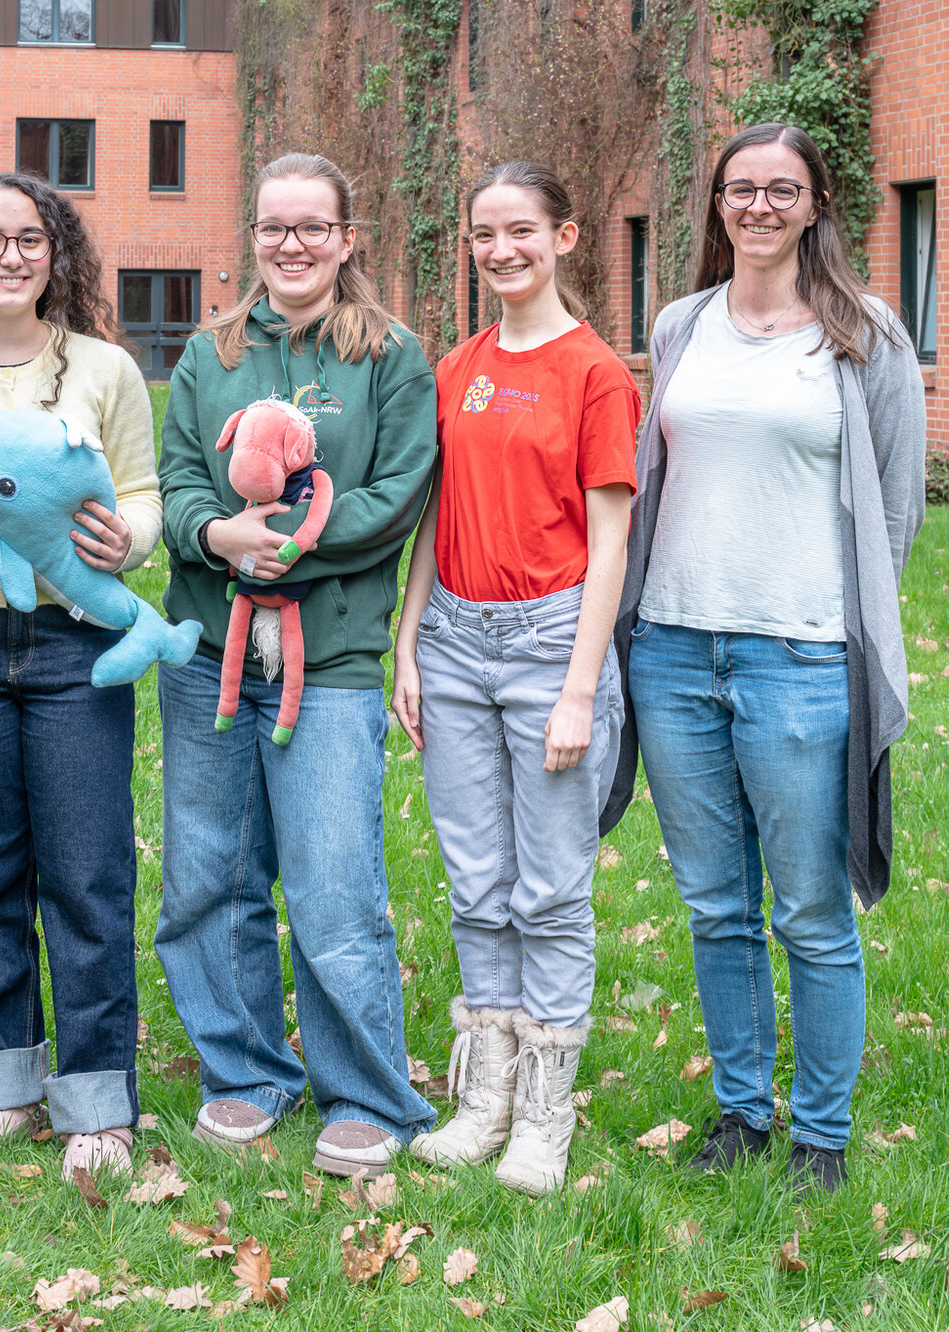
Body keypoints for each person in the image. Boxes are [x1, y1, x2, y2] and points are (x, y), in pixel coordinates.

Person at [608, 123, 926, 1193]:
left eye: (778, 189)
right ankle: (742, 1112)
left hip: (797, 655)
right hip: (671, 649)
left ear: (813, 202)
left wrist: (840, 625)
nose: (756, 206)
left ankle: (820, 1137)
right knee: (713, 905)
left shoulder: (861, 333)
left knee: (807, 908)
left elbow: (893, 504)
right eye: (738, 189)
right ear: (716, 205)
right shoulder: (679, 322)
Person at [153, 152, 438, 1179]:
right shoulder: (208, 354)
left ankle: (364, 1092)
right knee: (207, 873)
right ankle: (244, 1070)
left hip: (334, 655)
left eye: (313, 227)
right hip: (209, 650)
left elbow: (401, 488)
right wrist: (214, 536)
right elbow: (179, 473)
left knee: (332, 882)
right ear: (254, 235)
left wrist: (300, 539)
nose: (291, 244)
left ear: (346, 238)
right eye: (274, 226)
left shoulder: (389, 355)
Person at [0, 172, 158, 1182]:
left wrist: (120, 538)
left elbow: (139, 496)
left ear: (57, 253)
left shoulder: (102, 369)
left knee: (86, 870)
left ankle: (96, 1098)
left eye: (29, 238)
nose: (9, 255)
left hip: (72, 641)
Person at [394, 164, 639, 1193]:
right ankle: (481, 1097)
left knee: (547, 891)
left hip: (549, 645)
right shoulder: (455, 369)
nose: (500, 250)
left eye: (521, 232)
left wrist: (580, 685)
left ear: (565, 237)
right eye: (483, 234)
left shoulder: (594, 374)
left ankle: (544, 1114)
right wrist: (405, 644)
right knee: (476, 886)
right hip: (451, 639)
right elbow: (430, 515)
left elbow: (610, 539)